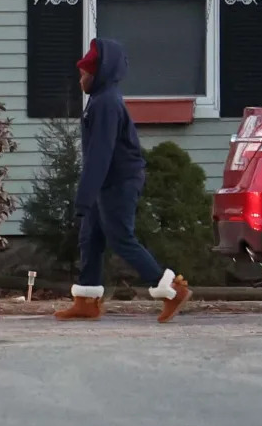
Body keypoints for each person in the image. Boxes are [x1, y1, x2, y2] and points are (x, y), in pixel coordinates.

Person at [54, 38, 191, 324]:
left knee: (120, 237)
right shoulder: (100, 98)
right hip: (106, 180)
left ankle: (171, 290)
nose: (80, 79)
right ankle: (86, 301)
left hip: (119, 180)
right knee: (90, 238)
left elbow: (100, 154)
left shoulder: (105, 103)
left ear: (99, 73)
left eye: (84, 74)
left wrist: (83, 197)